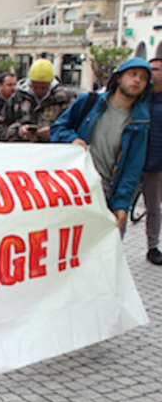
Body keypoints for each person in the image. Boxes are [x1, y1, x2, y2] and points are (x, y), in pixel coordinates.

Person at [51, 57, 152, 232]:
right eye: (133, 74)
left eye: (143, 77)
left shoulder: (140, 122)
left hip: (106, 197)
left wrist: (121, 204)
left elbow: (132, 168)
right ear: (119, 77)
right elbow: (58, 128)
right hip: (75, 190)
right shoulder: (89, 102)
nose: (137, 80)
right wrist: (72, 140)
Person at [0, 59, 73, 142]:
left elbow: (76, 131)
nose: (39, 91)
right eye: (35, 87)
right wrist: (18, 131)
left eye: (44, 88)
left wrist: (55, 132)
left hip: (52, 151)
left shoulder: (64, 100)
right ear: (30, 83)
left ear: (51, 84)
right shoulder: (17, 99)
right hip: (22, 150)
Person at [146, 58, 162, 264]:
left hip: (157, 163)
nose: (152, 73)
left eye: (157, 70)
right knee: (120, 204)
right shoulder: (140, 97)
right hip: (134, 161)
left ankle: (152, 247)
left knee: (153, 207)